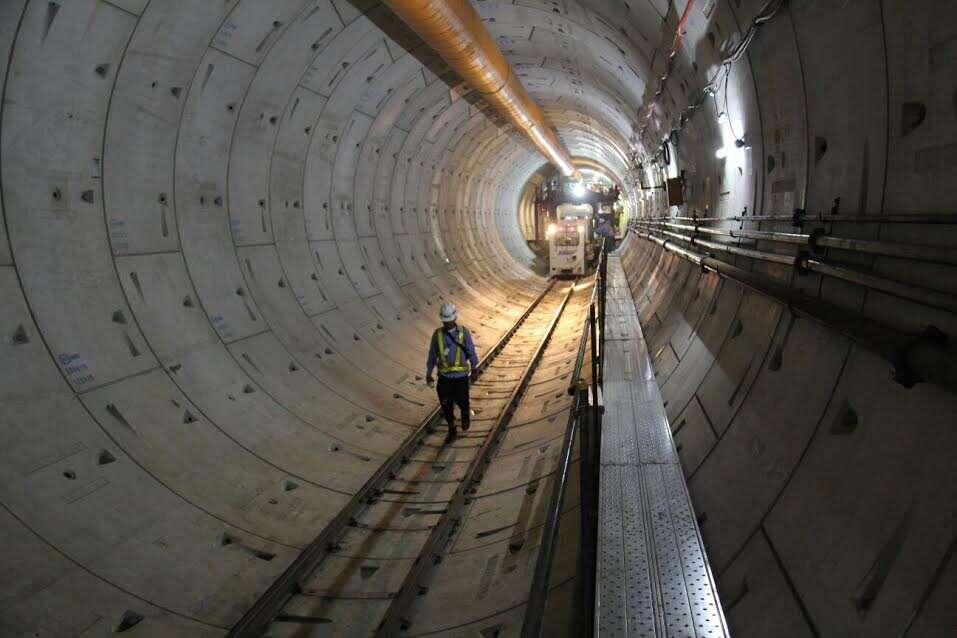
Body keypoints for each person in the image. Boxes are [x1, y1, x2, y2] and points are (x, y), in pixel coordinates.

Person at [425, 302, 479, 443]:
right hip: (444, 378)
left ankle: (465, 413)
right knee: (446, 405)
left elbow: (471, 350)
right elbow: (432, 355)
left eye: (449, 321)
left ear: (454, 319)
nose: (447, 324)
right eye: (445, 321)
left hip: (460, 378)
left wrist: (474, 367)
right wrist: (429, 373)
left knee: (463, 402)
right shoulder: (437, 335)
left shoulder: (463, 332)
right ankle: (452, 429)